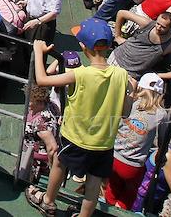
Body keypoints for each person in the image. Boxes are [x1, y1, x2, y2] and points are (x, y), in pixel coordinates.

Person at [27, 18, 129, 217]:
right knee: (94, 181)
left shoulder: (79, 74)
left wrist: (39, 52)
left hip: (75, 138)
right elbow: (126, 108)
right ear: (108, 46)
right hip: (104, 143)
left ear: (83, 46)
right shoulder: (122, 75)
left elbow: (42, 79)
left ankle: (48, 201)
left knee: (59, 163)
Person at [103, 73, 170, 210]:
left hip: (114, 157)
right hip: (133, 166)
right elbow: (163, 140)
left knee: (112, 187)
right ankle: (120, 209)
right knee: (130, 193)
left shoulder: (130, 102)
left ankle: (109, 207)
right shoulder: (161, 114)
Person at [110, 11, 171, 83]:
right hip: (116, 58)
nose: (158, 28)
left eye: (163, 27)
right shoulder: (147, 24)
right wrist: (118, 36)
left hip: (132, 74)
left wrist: (157, 76)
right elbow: (121, 13)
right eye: (157, 23)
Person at [23, 84, 61, 183]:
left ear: (38, 102)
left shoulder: (42, 124)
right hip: (33, 149)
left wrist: (54, 171)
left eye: (30, 100)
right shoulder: (51, 104)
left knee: (22, 178)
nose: (27, 103)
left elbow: (52, 148)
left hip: (36, 160)